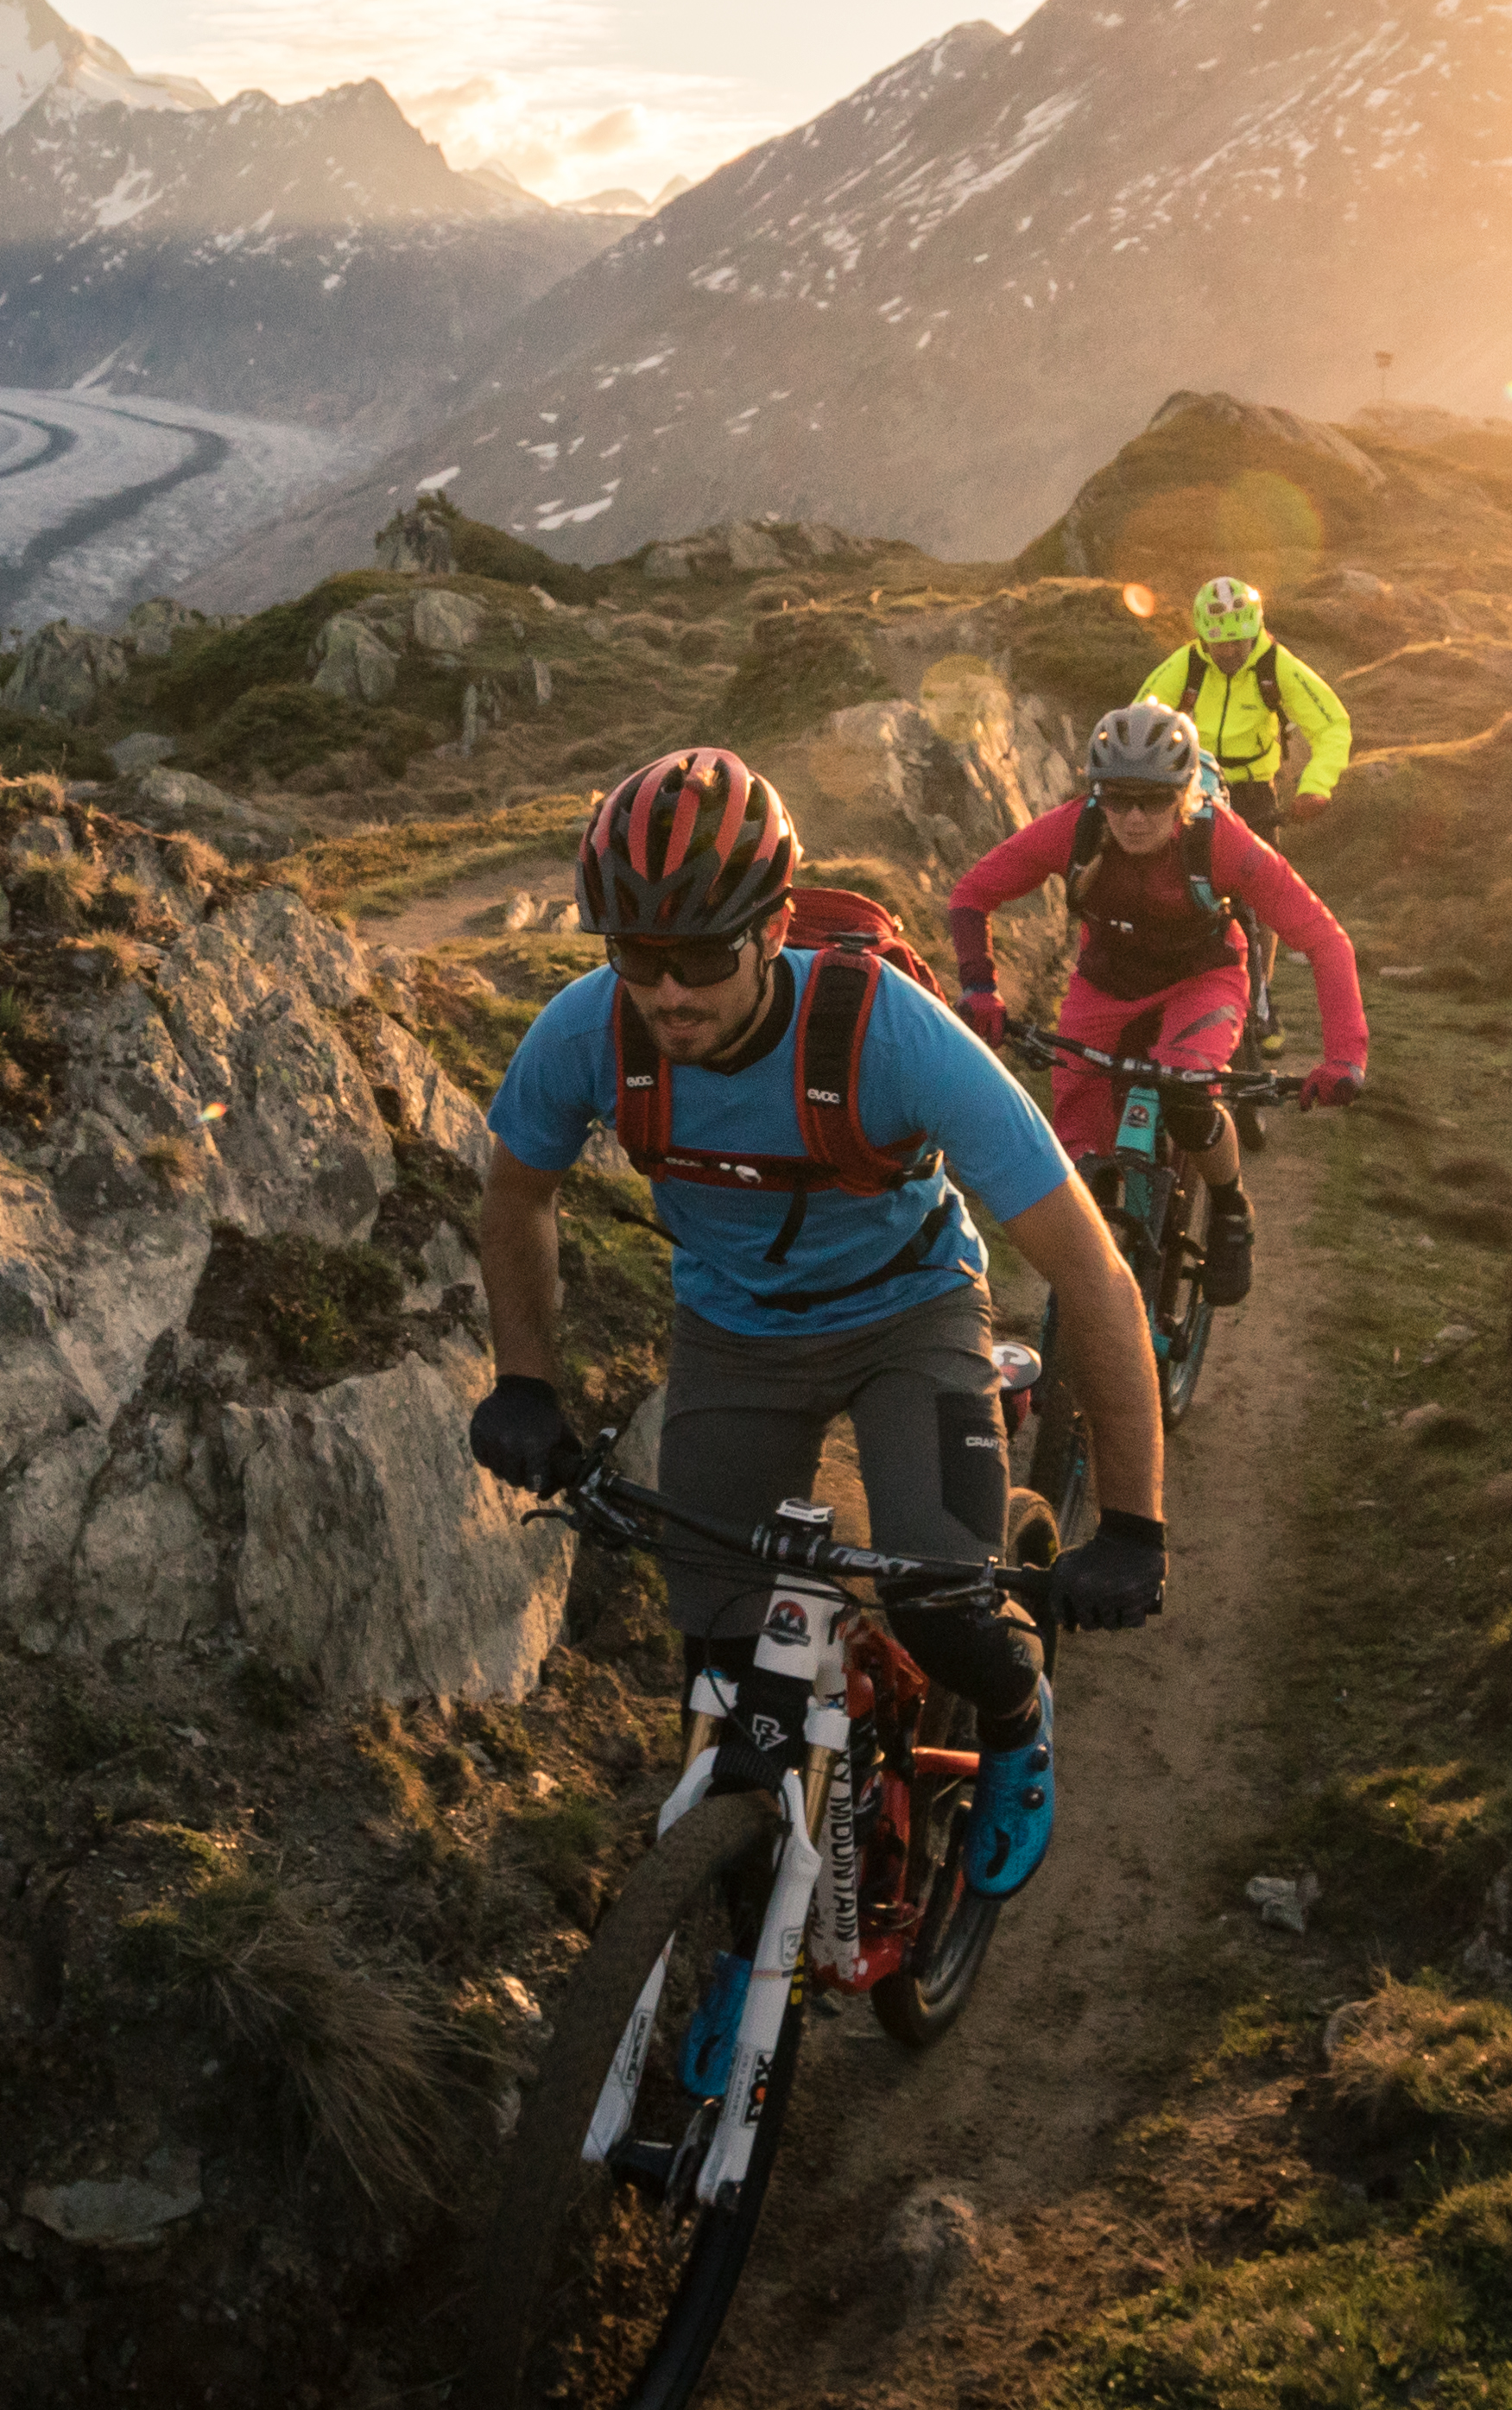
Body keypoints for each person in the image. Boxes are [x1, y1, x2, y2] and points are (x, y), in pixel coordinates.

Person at [467, 745, 1173, 1901]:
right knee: (720, 1656)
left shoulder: (891, 1036)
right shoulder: (588, 1032)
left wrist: (1138, 1522)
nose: (668, 990)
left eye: (700, 954)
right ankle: (741, 1916)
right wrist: (528, 1381)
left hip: (913, 1315)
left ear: (773, 927)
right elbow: (517, 1196)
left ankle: (1012, 1711)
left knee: (943, 1600)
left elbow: (1091, 1271)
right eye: (638, 954)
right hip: (734, 1335)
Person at [945, 701, 1369, 1314]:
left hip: (1202, 978)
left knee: (1188, 1088)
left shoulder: (1219, 840)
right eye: (1118, 799)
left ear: (1185, 793)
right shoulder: (1074, 829)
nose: (1135, 818)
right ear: (1098, 795)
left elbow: (1324, 939)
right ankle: (1090, 1285)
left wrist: (1345, 1057)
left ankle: (1230, 1208)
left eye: (1154, 799)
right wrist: (979, 988)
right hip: (1106, 981)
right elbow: (973, 894)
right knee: (1077, 1151)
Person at [1134, 574, 1352, 837]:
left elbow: (1332, 726)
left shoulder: (1277, 665)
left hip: (1254, 795)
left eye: (1238, 641)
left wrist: (1316, 786)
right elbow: (1136, 723)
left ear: (1255, 631)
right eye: (1219, 643)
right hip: (1191, 787)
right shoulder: (1186, 665)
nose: (1228, 652)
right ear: (1203, 638)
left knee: (1260, 877)